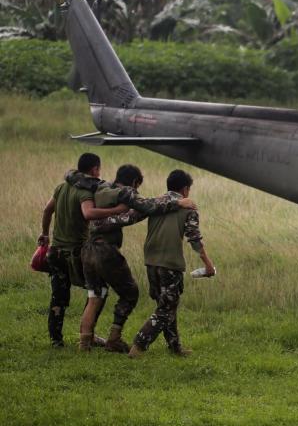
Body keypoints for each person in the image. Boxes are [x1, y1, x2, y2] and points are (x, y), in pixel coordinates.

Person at [75, 164, 196, 353]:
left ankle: (85, 343)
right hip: (104, 250)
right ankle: (114, 338)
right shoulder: (127, 193)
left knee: (95, 295)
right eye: (137, 186)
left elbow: (72, 176)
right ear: (133, 182)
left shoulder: (102, 186)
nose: (137, 191)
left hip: (87, 249)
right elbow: (145, 208)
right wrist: (178, 203)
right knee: (130, 292)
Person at [37, 153, 125, 348]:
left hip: (56, 252)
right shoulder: (84, 191)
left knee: (58, 296)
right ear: (94, 169)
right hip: (75, 253)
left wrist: (45, 234)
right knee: (98, 291)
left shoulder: (61, 187)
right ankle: (88, 334)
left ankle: (56, 340)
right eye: (98, 169)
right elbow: (88, 213)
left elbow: (47, 210)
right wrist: (116, 210)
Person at [128, 169, 215, 358]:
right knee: (166, 309)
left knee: (167, 305)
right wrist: (208, 265)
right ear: (185, 189)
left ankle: (175, 346)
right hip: (170, 264)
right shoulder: (188, 207)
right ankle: (139, 344)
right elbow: (194, 240)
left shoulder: (156, 203)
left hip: (150, 262)